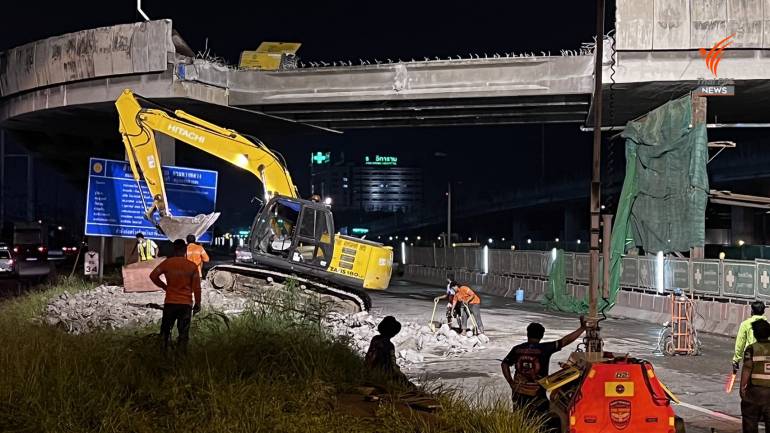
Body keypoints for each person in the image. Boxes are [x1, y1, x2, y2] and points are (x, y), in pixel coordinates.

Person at [501, 317, 586, 415]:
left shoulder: (517, 349)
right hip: (538, 392)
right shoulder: (545, 348)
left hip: (519, 391)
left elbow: (504, 364)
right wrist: (582, 328)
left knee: (520, 417)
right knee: (538, 419)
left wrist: (511, 382)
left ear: (528, 334)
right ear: (541, 336)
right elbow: (565, 341)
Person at [149, 239, 202, 352]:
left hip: (170, 303)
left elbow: (153, 275)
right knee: (183, 333)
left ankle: (162, 354)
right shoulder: (192, 266)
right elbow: (197, 287)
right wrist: (197, 303)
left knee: (165, 331)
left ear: (174, 249)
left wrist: (164, 287)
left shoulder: (167, 263)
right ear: (184, 250)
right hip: (185, 304)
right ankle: (181, 357)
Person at [739, 319, 770, 433]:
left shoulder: (752, 348)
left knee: (750, 423)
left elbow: (747, 368)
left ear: (755, 334)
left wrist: (742, 388)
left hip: (754, 393)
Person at [365, 316, 413, 387]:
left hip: (371, 371)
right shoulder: (389, 345)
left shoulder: (375, 339)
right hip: (384, 375)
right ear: (393, 333)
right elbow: (392, 365)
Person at [733, 301, 768, 373]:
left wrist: (736, 360)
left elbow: (740, 343)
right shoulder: (767, 324)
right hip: (765, 358)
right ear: (763, 311)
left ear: (752, 311)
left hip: (750, 356)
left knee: (748, 380)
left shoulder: (745, 324)